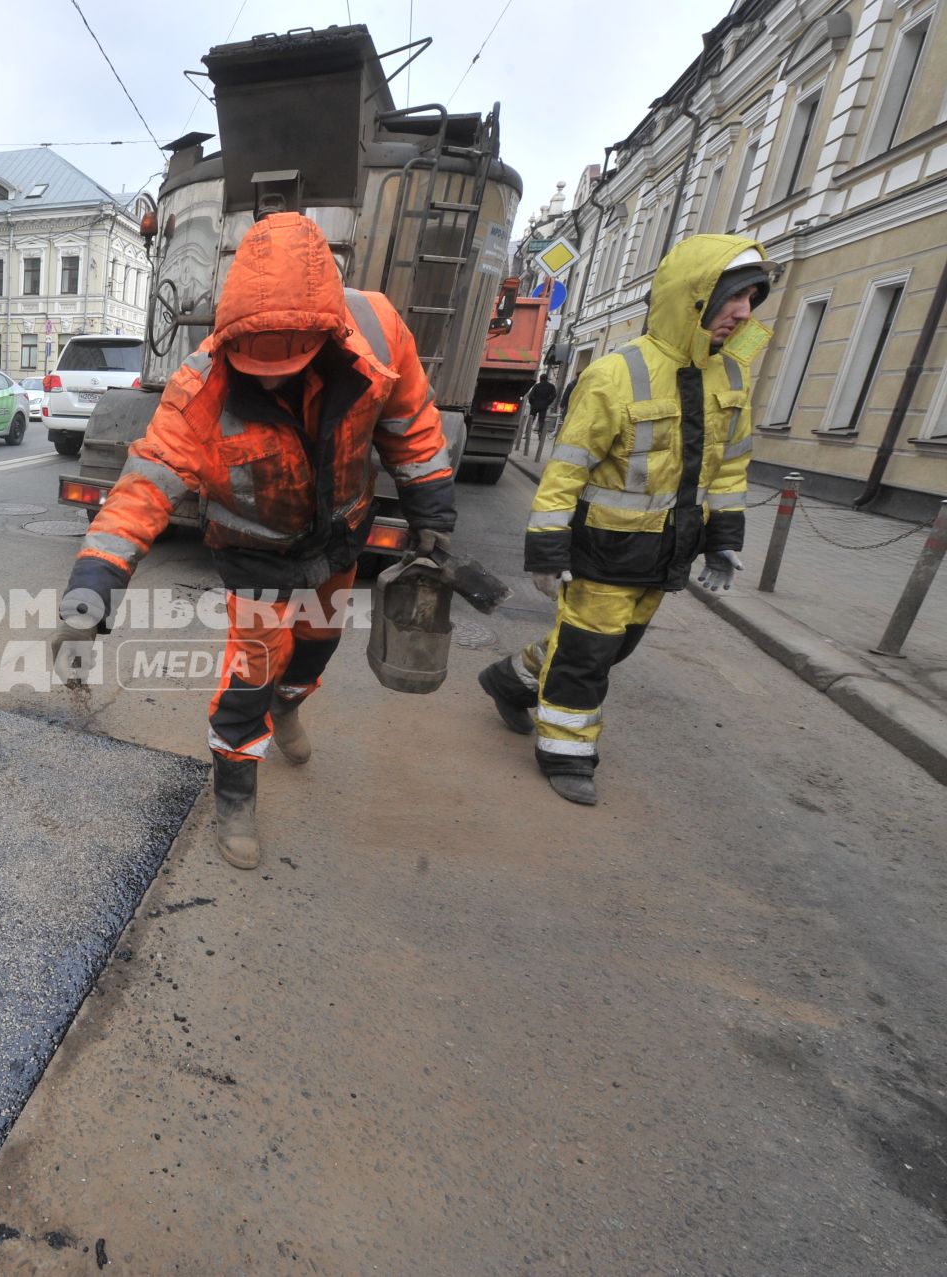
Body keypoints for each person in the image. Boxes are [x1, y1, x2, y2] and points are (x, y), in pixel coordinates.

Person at [49, 213, 457, 870]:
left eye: (285, 366)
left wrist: (433, 516)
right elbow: (144, 488)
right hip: (257, 556)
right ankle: (235, 786)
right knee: (253, 669)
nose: (268, 379)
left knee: (316, 647)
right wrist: (91, 588)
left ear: (327, 332)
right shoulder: (203, 383)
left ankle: (292, 702)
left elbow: (411, 428)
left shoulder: (378, 331)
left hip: (337, 538)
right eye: (255, 365)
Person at [478, 235, 772, 805]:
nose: (743, 313)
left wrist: (723, 543)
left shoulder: (732, 376)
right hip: (603, 550)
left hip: (666, 553)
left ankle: (509, 679)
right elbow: (565, 472)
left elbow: (731, 470)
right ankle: (566, 751)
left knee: (613, 647)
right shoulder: (614, 374)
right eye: (732, 297)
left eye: (752, 299)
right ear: (693, 298)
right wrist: (546, 551)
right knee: (589, 655)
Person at [525, 372, 558, 451]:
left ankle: (527, 433)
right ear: (547, 379)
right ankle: (540, 435)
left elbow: (530, 395)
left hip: (535, 404)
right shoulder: (551, 386)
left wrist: (532, 402)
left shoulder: (537, 386)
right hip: (544, 405)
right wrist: (548, 402)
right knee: (541, 420)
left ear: (540, 379)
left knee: (531, 419)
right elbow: (554, 395)